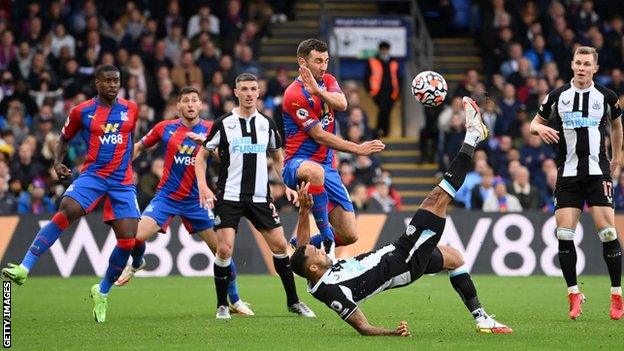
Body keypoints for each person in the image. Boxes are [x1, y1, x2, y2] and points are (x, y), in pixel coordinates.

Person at [290, 97, 511, 335]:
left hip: (398, 256)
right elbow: (362, 327)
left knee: (454, 258)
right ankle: (472, 137)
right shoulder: (331, 291)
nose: (321, 249)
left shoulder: (316, 270)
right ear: (313, 268)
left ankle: (483, 319)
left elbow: (302, 250)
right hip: (402, 261)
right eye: (318, 252)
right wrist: (392, 333)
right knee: (436, 199)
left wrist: (304, 210)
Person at [2, 64, 141, 323]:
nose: (112, 85)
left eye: (116, 81)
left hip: (122, 182)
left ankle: (102, 291)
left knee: (127, 241)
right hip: (93, 176)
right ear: (97, 83)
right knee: (67, 210)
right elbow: (63, 138)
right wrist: (57, 163)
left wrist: (128, 167)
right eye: (107, 81)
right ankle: (24, 267)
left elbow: (130, 138)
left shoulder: (131, 109)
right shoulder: (82, 111)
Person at [113, 86, 253, 316]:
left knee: (222, 250)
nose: (190, 104)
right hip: (167, 197)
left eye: (194, 100)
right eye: (185, 101)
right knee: (135, 236)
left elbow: (224, 158)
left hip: (197, 199)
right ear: (178, 105)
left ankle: (235, 300)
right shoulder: (164, 127)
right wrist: (122, 166)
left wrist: (206, 145)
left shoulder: (211, 129)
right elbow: (139, 146)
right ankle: (137, 261)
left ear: (201, 105)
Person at [195, 73, 315, 319]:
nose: (249, 93)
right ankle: (221, 305)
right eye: (244, 89)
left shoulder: (267, 124)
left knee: (281, 246)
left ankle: (293, 302)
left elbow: (278, 157)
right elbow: (202, 155)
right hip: (229, 195)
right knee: (225, 250)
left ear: (258, 93)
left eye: (253, 89)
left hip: (260, 197)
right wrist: (203, 186)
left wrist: (289, 184)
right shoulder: (223, 123)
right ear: (236, 92)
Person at [530, 46, 623, 320]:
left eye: (587, 64)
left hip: (597, 172)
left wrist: (616, 157)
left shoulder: (606, 97)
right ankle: (573, 293)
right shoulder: (558, 96)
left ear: (595, 68)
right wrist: (541, 127)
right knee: (564, 234)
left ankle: (616, 294)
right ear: (572, 65)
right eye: (578, 63)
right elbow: (533, 125)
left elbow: (617, 125)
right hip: (568, 173)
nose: (582, 68)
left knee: (607, 233)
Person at [282, 38, 385, 254]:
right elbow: (319, 136)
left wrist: (318, 92)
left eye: (326, 61)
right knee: (315, 172)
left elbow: (343, 104)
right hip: (297, 164)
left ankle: (304, 244)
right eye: (318, 61)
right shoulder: (293, 95)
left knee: (350, 235)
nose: (323, 66)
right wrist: (357, 148)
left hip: (327, 166)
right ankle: (327, 238)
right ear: (302, 62)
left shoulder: (327, 80)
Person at [364, 41, 400, 137]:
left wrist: (398, 93)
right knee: (383, 111)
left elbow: (398, 78)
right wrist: (370, 91)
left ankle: (383, 132)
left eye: (386, 49)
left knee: (387, 111)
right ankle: (381, 131)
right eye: (383, 49)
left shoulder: (394, 61)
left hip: (391, 93)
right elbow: (366, 77)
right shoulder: (373, 60)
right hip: (378, 93)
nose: (384, 51)